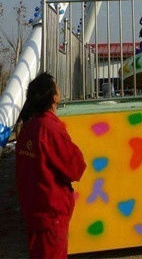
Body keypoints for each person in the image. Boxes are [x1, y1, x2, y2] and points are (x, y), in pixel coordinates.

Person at [15, 72, 86, 259]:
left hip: (34, 212)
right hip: (51, 216)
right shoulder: (51, 130)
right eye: (57, 87)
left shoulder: (28, 130)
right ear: (54, 97)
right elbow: (76, 168)